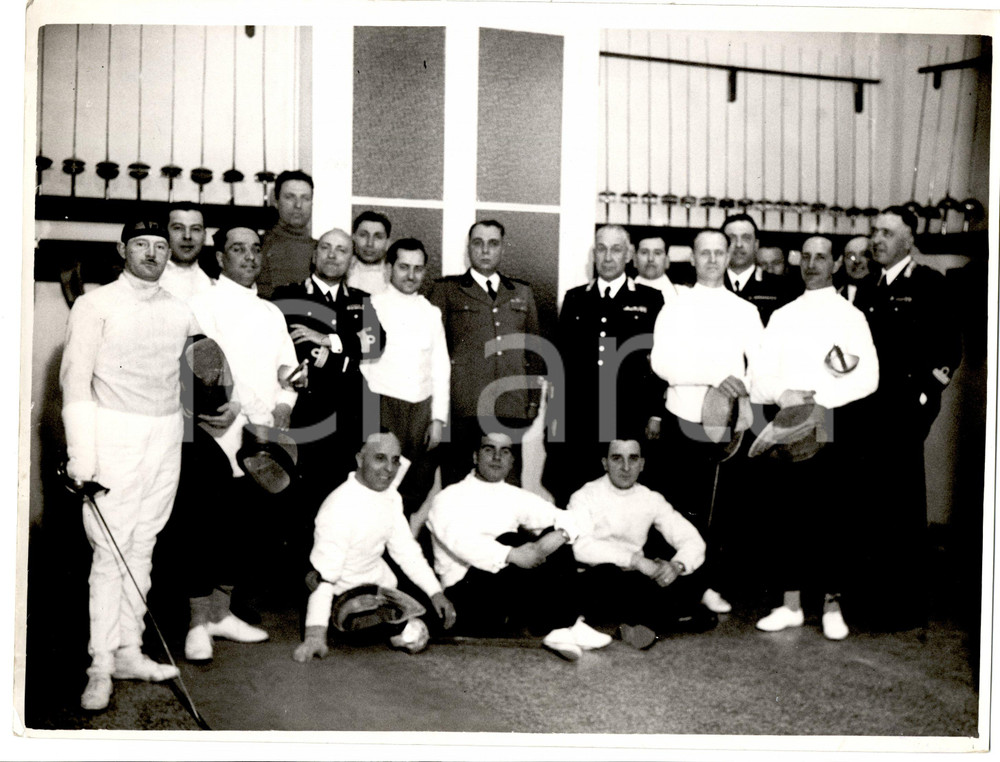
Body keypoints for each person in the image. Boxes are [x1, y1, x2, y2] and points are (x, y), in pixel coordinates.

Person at [60, 219, 198, 711]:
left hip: (164, 436)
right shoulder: (94, 305)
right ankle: (99, 665)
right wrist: (83, 458)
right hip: (113, 435)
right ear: (123, 249)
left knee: (142, 547)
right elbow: (75, 384)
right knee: (109, 553)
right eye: (142, 244)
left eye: (161, 246)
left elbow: (200, 372)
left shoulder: (181, 309)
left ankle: (128, 651)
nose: (153, 253)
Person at [750, 236, 879, 640]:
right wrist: (783, 396)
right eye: (805, 257)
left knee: (831, 518)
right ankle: (790, 606)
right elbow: (759, 379)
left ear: (835, 263)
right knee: (787, 515)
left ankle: (831, 607)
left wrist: (818, 403)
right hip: (788, 425)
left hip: (831, 424)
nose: (811, 264)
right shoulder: (782, 315)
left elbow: (869, 377)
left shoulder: (851, 317)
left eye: (820, 257)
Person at [183, 225, 300, 654]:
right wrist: (253, 408)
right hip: (215, 430)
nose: (249, 257)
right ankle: (197, 624)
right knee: (204, 527)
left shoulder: (271, 314)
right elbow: (212, 367)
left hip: (260, 438)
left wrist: (285, 402)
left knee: (242, 527)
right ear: (220, 257)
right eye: (238, 249)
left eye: (255, 249)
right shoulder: (201, 305)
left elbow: (289, 372)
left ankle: (220, 615)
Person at [851, 206, 962, 630]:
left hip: (901, 416)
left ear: (909, 240)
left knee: (900, 509)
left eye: (887, 232)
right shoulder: (868, 287)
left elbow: (948, 351)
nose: (877, 239)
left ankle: (900, 609)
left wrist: (922, 400)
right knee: (869, 510)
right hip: (866, 414)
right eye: (874, 231)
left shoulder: (929, 284)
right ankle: (867, 604)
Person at [649, 229, 764, 616]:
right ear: (693, 259)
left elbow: (761, 368)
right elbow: (661, 363)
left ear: (729, 256)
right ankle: (676, 583)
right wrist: (714, 375)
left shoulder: (745, 310)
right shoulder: (675, 305)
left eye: (720, 252)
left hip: (727, 422)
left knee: (720, 509)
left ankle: (707, 584)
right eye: (705, 253)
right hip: (683, 417)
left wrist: (740, 385)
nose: (713, 259)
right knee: (681, 507)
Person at [427, 432, 612, 660]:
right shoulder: (448, 497)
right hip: (466, 598)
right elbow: (462, 543)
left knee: (553, 533)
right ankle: (560, 625)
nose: (497, 457)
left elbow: (572, 518)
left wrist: (560, 534)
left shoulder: (514, 496)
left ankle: (567, 625)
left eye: (504, 451)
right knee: (510, 539)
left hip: (504, 593)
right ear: (475, 456)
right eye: (489, 450)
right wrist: (512, 553)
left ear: (512, 461)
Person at [293, 433, 457, 661]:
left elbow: (406, 551)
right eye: (380, 458)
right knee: (413, 633)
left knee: (436, 620)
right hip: (342, 598)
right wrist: (315, 635)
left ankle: (392, 625)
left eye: (395, 460)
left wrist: (435, 592)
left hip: (379, 588)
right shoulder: (339, 506)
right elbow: (324, 578)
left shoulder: (391, 497)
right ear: (360, 459)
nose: (389, 469)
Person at [541, 224, 665, 507]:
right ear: (593, 254)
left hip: (627, 414)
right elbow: (561, 361)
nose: (608, 257)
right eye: (601, 248)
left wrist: (655, 413)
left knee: (623, 496)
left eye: (616, 249)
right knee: (575, 489)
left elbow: (658, 362)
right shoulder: (575, 298)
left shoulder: (649, 299)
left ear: (629, 255)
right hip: (580, 417)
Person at [271, 228, 385, 502]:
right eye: (326, 247)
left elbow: (376, 342)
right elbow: (299, 351)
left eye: (342, 250)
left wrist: (327, 339)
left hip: (349, 415)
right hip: (304, 414)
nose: (333, 255)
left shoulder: (360, 300)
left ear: (351, 261)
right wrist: (345, 356)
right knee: (299, 498)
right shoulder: (286, 297)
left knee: (344, 496)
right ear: (314, 255)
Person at [428, 220, 542, 487]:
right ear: (469, 248)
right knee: (458, 484)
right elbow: (432, 353)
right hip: (463, 407)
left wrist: (532, 402)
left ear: (502, 248)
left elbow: (534, 353)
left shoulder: (522, 292)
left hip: (510, 406)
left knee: (508, 485)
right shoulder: (446, 291)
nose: (485, 251)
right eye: (478, 243)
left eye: (493, 244)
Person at [568, 439, 712, 649]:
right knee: (611, 577)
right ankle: (666, 618)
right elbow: (580, 547)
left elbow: (691, 538)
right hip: (598, 578)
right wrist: (636, 560)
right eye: (617, 458)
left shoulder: (651, 498)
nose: (626, 468)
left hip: (637, 579)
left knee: (694, 569)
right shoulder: (584, 496)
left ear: (642, 464)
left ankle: (636, 622)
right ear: (605, 463)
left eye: (633, 459)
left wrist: (675, 566)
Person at [361, 239, 449, 517]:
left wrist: (437, 419)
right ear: (389, 269)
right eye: (404, 267)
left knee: (416, 484)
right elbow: (363, 365)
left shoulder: (431, 312)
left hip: (421, 409)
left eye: (418, 269)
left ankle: (398, 546)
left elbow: (440, 367)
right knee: (376, 483)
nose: (411, 276)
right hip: (383, 404)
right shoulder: (370, 306)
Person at [721, 214, 790, 325]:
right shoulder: (710, 284)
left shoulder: (781, 288)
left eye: (746, 238)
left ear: (756, 244)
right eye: (732, 238)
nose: (739, 245)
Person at [257, 170, 316, 298]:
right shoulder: (258, 247)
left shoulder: (321, 251)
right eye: (290, 197)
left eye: (305, 198)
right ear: (276, 201)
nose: (298, 205)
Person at [159, 202, 213, 302]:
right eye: (178, 228)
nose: (187, 236)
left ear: (204, 236)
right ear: (164, 233)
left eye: (195, 229)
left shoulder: (213, 286)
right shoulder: (146, 283)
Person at [347, 210, 392, 295]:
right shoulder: (341, 272)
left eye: (378, 237)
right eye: (363, 235)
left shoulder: (395, 277)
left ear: (387, 243)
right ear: (353, 238)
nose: (370, 243)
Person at [632, 235, 679, 302]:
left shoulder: (683, 296)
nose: (650, 259)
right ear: (635, 260)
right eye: (644, 252)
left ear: (667, 261)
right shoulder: (621, 294)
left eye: (657, 253)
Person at [841, 236, 876, 304]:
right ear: (843, 260)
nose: (857, 261)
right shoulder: (836, 295)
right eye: (851, 256)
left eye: (864, 255)